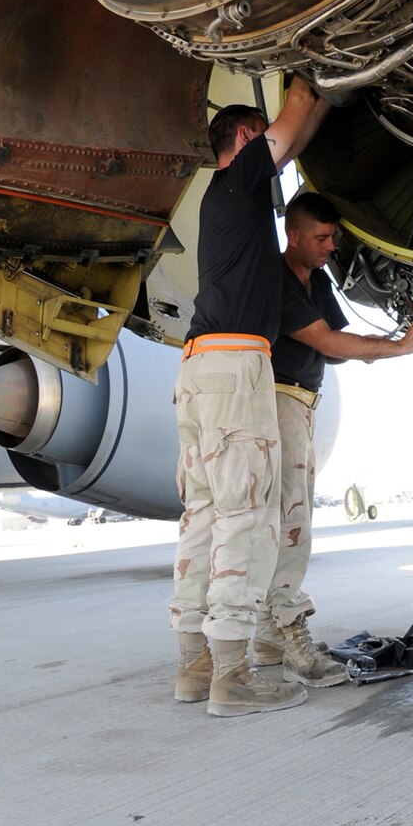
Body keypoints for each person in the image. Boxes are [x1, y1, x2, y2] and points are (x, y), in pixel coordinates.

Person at [169, 79, 329, 717]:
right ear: (244, 136)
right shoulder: (239, 181)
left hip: (200, 368)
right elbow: (291, 123)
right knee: (247, 515)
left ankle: (194, 666)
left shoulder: (228, 202)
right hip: (236, 366)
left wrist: (321, 105)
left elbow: (295, 136)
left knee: (204, 515)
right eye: (263, 137)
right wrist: (309, 66)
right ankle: (233, 675)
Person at [252, 190, 413, 686]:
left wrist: (389, 342)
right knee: (291, 522)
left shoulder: (314, 282)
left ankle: (268, 633)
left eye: (333, 236)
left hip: (298, 403)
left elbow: (335, 346)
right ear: (293, 235)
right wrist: (398, 347)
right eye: (321, 237)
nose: (331, 245)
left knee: (286, 517)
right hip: (276, 400)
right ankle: (286, 630)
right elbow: (329, 342)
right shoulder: (276, 276)